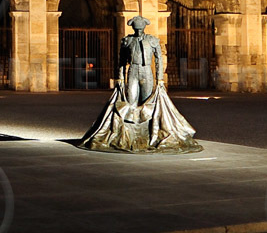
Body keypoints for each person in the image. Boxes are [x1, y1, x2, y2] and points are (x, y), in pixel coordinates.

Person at [76, 15, 202, 153]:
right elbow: (122, 61)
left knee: (147, 101)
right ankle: (132, 132)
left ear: (144, 27)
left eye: (140, 28)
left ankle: (147, 132)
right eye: (137, 28)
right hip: (133, 70)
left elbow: (159, 60)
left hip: (147, 71)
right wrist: (120, 78)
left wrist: (160, 79)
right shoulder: (128, 40)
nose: (139, 30)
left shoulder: (152, 40)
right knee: (131, 100)